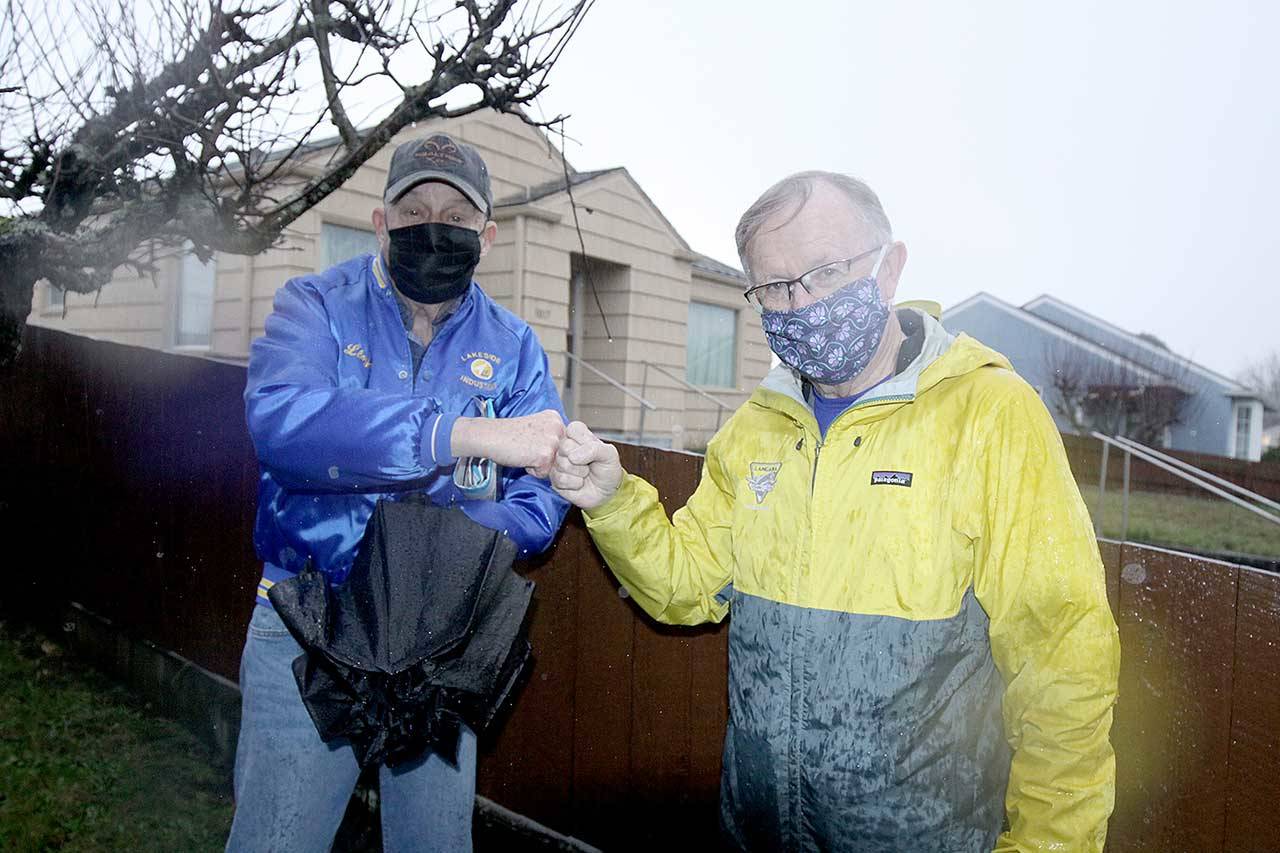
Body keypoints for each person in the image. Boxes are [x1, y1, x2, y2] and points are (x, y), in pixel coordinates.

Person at [550, 171, 1120, 852]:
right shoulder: (757, 427)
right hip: (758, 833)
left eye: (823, 272)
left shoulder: (989, 414)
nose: (802, 302)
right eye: (775, 287)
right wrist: (613, 500)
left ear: (890, 268)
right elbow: (687, 586)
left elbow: (1060, 655)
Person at [229, 133, 570, 852]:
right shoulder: (315, 304)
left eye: (456, 212)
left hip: (442, 639)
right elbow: (284, 424)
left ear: (488, 232)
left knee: (435, 842)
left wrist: (464, 546)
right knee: (276, 837)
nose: (434, 225)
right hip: (308, 619)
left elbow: (543, 489)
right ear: (380, 220)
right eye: (414, 209)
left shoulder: (514, 345)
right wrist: (455, 436)